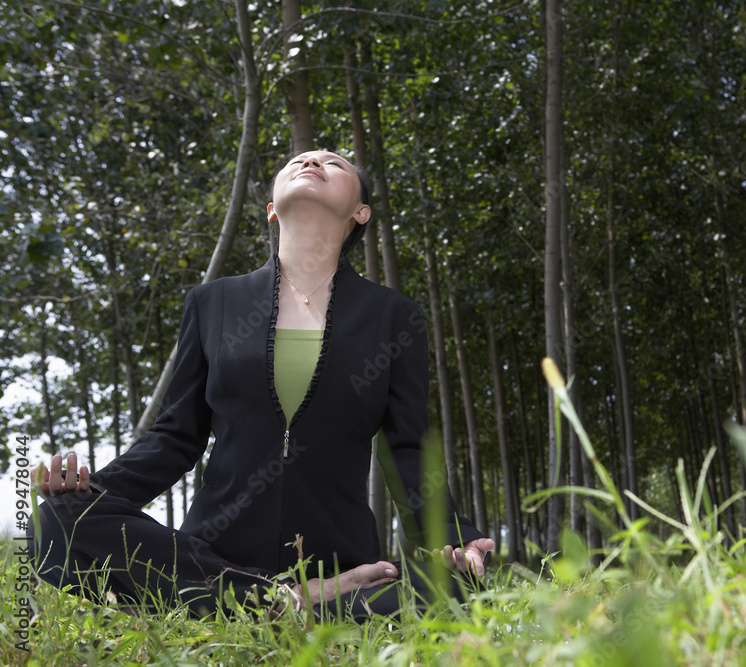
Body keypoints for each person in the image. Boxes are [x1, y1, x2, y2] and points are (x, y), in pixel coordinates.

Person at [30, 149, 494, 619]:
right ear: (272, 208)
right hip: (213, 555)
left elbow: (407, 447)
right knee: (53, 524)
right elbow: (175, 435)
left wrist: (453, 537)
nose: (312, 161)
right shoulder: (214, 303)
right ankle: (282, 603)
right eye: (300, 160)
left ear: (360, 212)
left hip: (344, 562)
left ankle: (251, 609)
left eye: (333, 163)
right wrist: (91, 494)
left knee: (455, 585)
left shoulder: (393, 316)